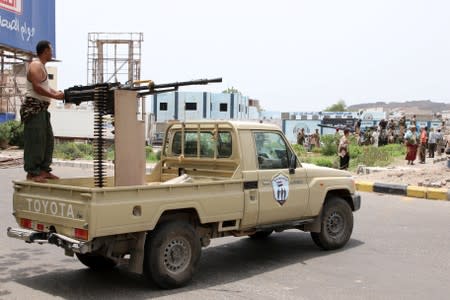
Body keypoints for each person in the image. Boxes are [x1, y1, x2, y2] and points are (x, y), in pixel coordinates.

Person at [20, 40, 64, 182]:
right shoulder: (35, 65)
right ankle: (32, 172)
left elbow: (46, 87)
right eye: (50, 50)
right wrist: (54, 96)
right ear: (45, 51)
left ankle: (44, 170)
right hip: (34, 108)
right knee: (36, 140)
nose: (52, 53)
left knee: (48, 140)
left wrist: (58, 94)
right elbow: (37, 87)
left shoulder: (42, 67)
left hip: (42, 109)